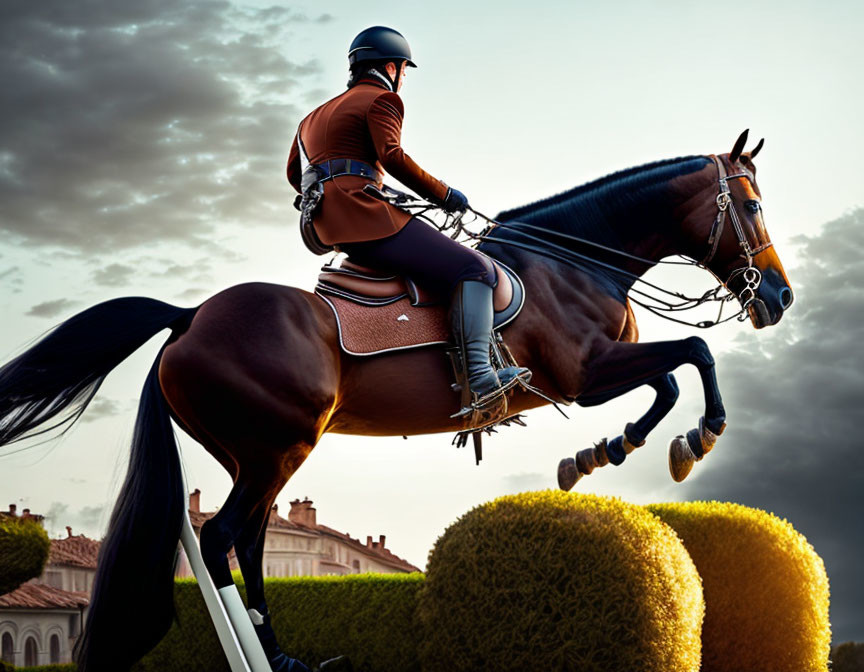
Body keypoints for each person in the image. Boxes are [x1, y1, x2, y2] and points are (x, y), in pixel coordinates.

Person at [287, 26, 529, 403]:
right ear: (392, 66)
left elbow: (294, 175)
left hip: (327, 226)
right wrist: (444, 194)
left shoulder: (311, 119)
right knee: (475, 269)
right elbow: (392, 156)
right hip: (366, 217)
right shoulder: (383, 99)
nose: (402, 79)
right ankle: (481, 377)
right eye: (403, 71)